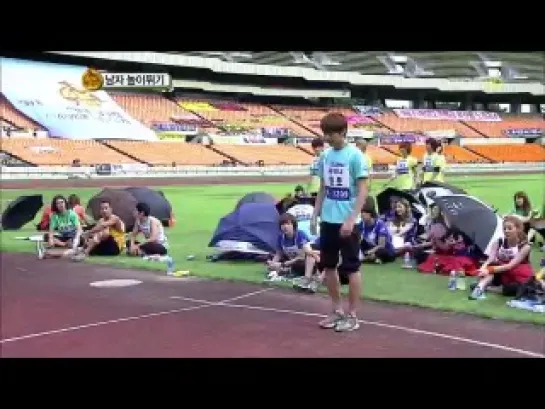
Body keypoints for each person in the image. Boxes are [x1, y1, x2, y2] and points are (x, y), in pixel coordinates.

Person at [311, 112, 369, 332]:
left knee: (352, 267)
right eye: (325, 134)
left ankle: (353, 315)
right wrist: (316, 214)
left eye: (331, 134)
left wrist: (351, 219)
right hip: (328, 219)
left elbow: (363, 190)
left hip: (348, 222)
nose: (327, 138)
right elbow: (323, 187)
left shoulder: (355, 156)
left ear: (343, 132)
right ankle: (336, 310)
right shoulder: (325, 157)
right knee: (328, 265)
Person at [469, 216, 534, 300]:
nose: (506, 231)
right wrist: (482, 269)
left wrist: (489, 270)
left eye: (509, 228)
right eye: (504, 228)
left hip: (519, 275)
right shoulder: (498, 242)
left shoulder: (525, 246)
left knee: (518, 288)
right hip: (503, 271)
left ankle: (488, 288)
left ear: (518, 229)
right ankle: (479, 288)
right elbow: (490, 259)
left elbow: (510, 266)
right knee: (492, 265)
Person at [266, 213, 321, 290]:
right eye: (282, 224)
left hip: (301, 261)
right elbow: (279, 253)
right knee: (269, 257)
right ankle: (281, 269)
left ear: (293, 225)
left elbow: (302, 256)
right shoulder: (281, 237)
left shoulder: (300, 235)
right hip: (289, 259)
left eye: (288, 224)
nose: (285, 227)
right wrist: (273, 263)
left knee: (300, 265)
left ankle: (286, 270)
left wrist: (284, 264)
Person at [37, 195, 83, 259]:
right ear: (55, 206)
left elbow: (79, 229)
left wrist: (77, 238)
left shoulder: (72, 214)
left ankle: (53, 253)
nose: (60, 205)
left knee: (80, 239)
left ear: (65, 203)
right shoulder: (54, 216)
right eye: (58, 203)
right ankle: (64, 244)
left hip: (73, 235)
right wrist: (50, 239)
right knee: (46, 236)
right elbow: (51, 230)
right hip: (63, 236)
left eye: (62, 202)